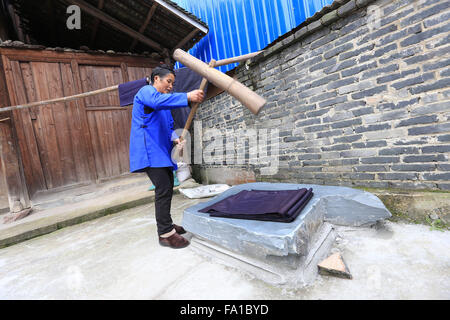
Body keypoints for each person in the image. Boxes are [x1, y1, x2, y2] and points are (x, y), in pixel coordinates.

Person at [129, 64, 204, 249]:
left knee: (168, 187)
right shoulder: (146, 92)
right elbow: (157, 102)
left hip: (160, 152)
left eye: (173, 83)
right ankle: (165, 234)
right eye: (168, 81)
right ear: (156, 79)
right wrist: (187, 96)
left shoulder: (164, 105)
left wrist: (176, 140)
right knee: (163, 189)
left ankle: (168, 225)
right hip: (148, 150)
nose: (171, 86)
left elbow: (169, 129)